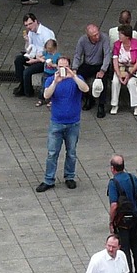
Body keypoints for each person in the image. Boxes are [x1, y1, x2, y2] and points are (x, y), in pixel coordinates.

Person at [37, 57, 87, 191]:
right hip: (56, 122)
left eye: (65, 67)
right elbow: (46, 95)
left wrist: (74, 76)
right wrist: (55, 81)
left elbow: (85, 89)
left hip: (73, 123)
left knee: (71, 152)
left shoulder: (76, 79)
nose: (62, 69)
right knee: (52, 153)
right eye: (60, 67)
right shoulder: (51, 80)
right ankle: (48, 179)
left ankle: (69, 177)